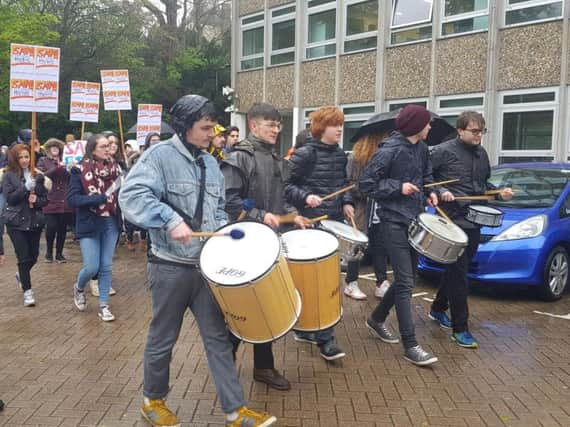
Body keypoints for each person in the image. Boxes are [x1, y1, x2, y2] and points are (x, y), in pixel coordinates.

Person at [119, 94, 276, 427]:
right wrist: (169, 220)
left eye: (213, 128)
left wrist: (223, 230)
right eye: (205, 128)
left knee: (218, 337)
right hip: (169, 266)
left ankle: (235, 410)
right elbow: (131, 196)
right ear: (185, 126)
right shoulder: (158, 156)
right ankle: (153, 401)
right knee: (163, 337)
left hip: (205, 267)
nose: (212, 134)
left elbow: (218, 208)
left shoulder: (210, 163)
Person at [221, 102, 306, 390]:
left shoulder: (278, 159)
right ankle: (225, 361)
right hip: (244, 241)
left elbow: (281, 199)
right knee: (242, 305)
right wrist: (259, 214)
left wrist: (293, 215)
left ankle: (264, 367)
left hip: (270, 240)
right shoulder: (239, 158)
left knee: (267, 303)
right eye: (270, 124)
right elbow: (230, 202)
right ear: (254, 126)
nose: (276, 129)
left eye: (278, 124)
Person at [359, 104, 441, 366]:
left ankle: (376, 319)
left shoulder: (422, 148)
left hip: (415, 219)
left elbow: (425, 176)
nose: (430, 127)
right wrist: (398, 186)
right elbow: (367, 184)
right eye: (427, 123)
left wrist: (430, 191)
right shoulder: (389, 150)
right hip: (392, 221)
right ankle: (411, 345)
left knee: (408, 278)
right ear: (416, 126)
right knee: (406, 282)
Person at [428, 111, 513, 348]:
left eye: (482, 131)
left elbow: (483, 185)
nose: (479, 136)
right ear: (460, 130)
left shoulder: (482, 153)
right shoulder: (443, 151)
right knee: (460, 275)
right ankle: (460, 328)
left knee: (456, 271)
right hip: (452, 219)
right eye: (474, 131)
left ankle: (437, 308)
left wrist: (499, 193)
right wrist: (436, 192)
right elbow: (424, 178)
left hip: (475, 219)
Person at [285, 106, 353, 361]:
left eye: (341, 125)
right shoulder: (304, 154)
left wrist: (347, 201)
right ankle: (306, 327)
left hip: (332, 223)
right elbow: (286, 186)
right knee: (308, 281)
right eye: (335, 125)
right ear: (321, 127)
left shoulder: (339, 155)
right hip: (309, 225)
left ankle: (326, 338)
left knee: (328, 281)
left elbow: (344, 184)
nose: (340, 130)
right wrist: (306, 196)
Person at [67, 134, 122, 322]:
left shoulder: (117, 169)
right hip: (90, 221)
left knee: (106, 266)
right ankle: (79, 288)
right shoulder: (79, 170)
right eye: (104, 146)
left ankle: (104, 306)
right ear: (92, 149)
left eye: (110, 145)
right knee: (92, 267)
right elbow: (72, 199)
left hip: (110, 221)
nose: (108, 149)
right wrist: (97, 198)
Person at [344, 132, 391, 300]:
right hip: (362, 208)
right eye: (383, 137)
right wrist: (370, 189)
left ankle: (381, 282)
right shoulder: (356, 158)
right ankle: (351, 283)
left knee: (380, 245)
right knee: (357, 246)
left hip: (379, 209)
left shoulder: (385, 157)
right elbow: (349, 184)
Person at [2, 144, 49, 307]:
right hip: (16, 222)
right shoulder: (9, 176)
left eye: (26, 156)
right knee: (23, 257)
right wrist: (25, 188)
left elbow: (45, 199)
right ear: (15, 159)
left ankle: (21, 275)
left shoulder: (38, 175)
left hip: (34, 221)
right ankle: (28, 291)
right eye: (20, 157)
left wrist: (37, 201)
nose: (24, 160)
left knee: (33, 256)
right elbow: (10, 199)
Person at [37, 138, 73, 263]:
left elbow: (70, 179)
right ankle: (48, 252)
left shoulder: (66, 160)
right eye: (52, 147)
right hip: (50, 198)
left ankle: (59, 253)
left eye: (57, 147)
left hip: (64, 198)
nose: (54, 149)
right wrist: (57, 168)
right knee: (51, 227)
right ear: (48, 149)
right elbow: (41, 175)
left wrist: (70, 168)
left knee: (62, 229)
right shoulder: (43, 160)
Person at [124, 151, 147, 252]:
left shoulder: (145, 171)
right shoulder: (126, 172)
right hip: (129, 200)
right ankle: (129, 241)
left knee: (143, 222)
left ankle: (143, 241)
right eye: (134, 161)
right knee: (129, 223)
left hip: (142, 199)